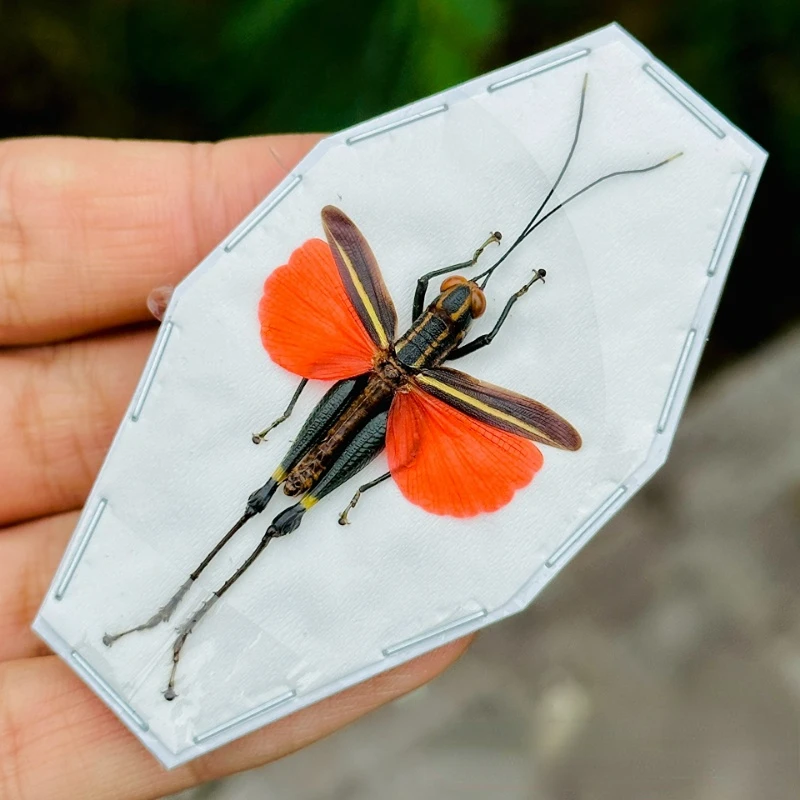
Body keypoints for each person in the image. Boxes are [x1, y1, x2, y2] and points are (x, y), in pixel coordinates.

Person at [0, 135, 472, 799]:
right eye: (461, 294)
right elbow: (404, 311)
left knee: (290, 508)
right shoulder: (432, 334)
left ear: (442, 322)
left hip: (377, 412)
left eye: (462, 302)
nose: (454, 300)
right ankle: (166, 618)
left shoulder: (428, 346)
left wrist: (477, 278)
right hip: (364, 390)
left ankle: (184, 626)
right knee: (269, 497)